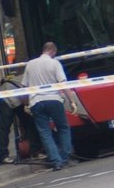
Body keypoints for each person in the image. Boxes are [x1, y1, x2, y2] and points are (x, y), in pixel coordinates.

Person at [23, 42, 76, 171]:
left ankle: (56, 161)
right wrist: (72, 101)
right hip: (54, 100)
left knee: (45, 132)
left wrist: (26, 104)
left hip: (36, 101)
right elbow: (63, 84)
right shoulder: (55, 63)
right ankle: (64, 158)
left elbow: (24, 87)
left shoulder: (30, 64)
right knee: (63, 128)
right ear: (53, 51)